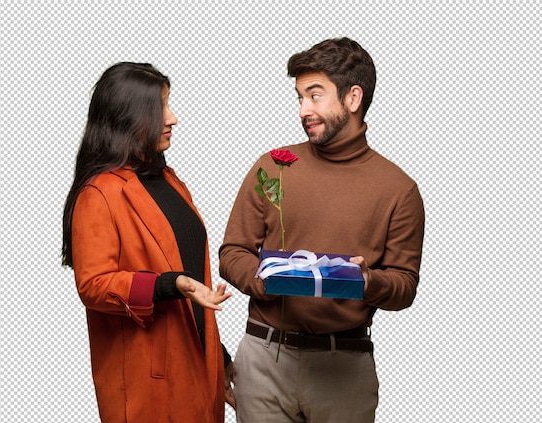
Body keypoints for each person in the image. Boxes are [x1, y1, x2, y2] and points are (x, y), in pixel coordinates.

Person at [219, 37, 425, 422]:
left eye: (315, 96)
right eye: (299, 98)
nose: (304, 110)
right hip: (265, 359)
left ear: (353, 98)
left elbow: (404, 286)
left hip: (344, 368)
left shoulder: (399, 190)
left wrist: (368, 281)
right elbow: (232, 252)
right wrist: (262, 279)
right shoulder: (273, 166)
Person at [62, 62, 235, 423]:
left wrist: (220, 357)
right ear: (128, 116)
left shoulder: (170, 182)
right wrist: (171, 284)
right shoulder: (99, 193)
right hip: (148, 382)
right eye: (161, 107)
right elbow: (93, 285)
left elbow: (185, 265)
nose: (172, 118)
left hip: (197, 364)